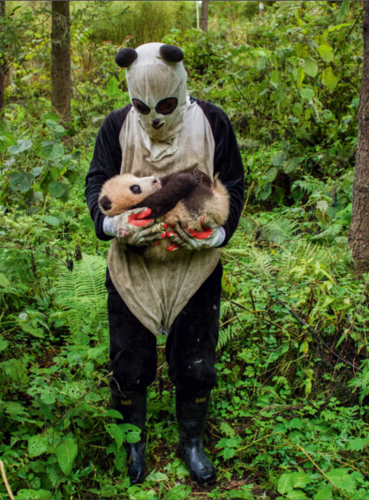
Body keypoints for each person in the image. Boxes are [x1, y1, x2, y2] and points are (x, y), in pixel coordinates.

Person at [84, 42, 245, 485]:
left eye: (165, 105)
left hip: (195, 269)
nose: (154, 117)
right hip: (132, 268)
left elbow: (234, 182)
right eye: (142, 106)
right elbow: (97, 183)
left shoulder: (213, 122)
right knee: (128, 362)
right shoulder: (116, 126)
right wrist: (113, 227)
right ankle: (134, 443)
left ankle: (191, 441)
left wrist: (218, 234)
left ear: (180, 85)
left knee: (197, 362)